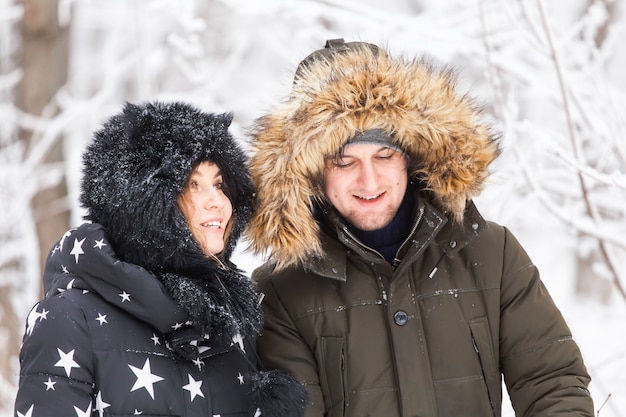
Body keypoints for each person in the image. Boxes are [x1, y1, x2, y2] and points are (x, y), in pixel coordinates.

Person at [245, 39, 594, 417]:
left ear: (410, 158)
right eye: (344, 162)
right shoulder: (280, 291)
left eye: (384, 155)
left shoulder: (492, 252)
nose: (369, 180)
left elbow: (554, 383)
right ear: (311, 172)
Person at [14, 101, 308, 417]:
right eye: (193, 185)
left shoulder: (231, 316)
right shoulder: (70, 319)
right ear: (141, 201)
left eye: (220, 184)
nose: (218, 203)